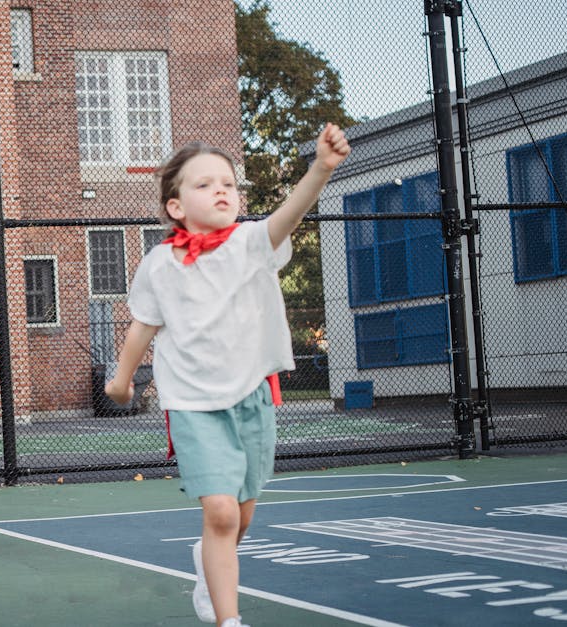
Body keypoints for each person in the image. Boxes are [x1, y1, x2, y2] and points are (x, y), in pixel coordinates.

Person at [104, 125, 350, 627]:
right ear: (176, 207)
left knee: (241, 517)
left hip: (251, 399)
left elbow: (290, 213)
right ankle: (229, 620)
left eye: (229, 183)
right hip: (192, 404)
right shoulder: (157, 265)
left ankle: (207, 566)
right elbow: (142, 328)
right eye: (204, 184)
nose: (221, 190)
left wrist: (320, 169)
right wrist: (122, 379)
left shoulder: (251, 244)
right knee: (219, 513)